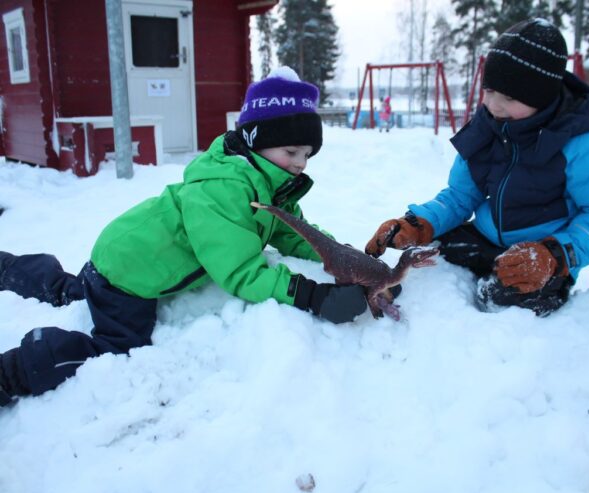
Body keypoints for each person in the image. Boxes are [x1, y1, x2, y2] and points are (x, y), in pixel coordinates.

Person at [0, 67, 369, 407]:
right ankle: (13, 372)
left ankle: (13, 269)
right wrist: (312, 296)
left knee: (79, 291)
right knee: (115, 350)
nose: (301, 163)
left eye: (307, 154)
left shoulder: (269, 184)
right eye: (292, 151)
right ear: (258, 140)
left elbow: (295, 234)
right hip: (131, 274)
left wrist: (347, 260)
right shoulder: (224, 190)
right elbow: (240, 272)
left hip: (125, 249)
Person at [365, 19, 589, 317]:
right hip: (485, 237)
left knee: (505, 300)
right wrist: (420, 224)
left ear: (542, 97)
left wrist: (557, 253)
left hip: (538, 257)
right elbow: (459, 197)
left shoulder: (581, 144)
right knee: (426, 257)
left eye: (509, 97)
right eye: (489, 91)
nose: (494, 105)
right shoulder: (487, 129)